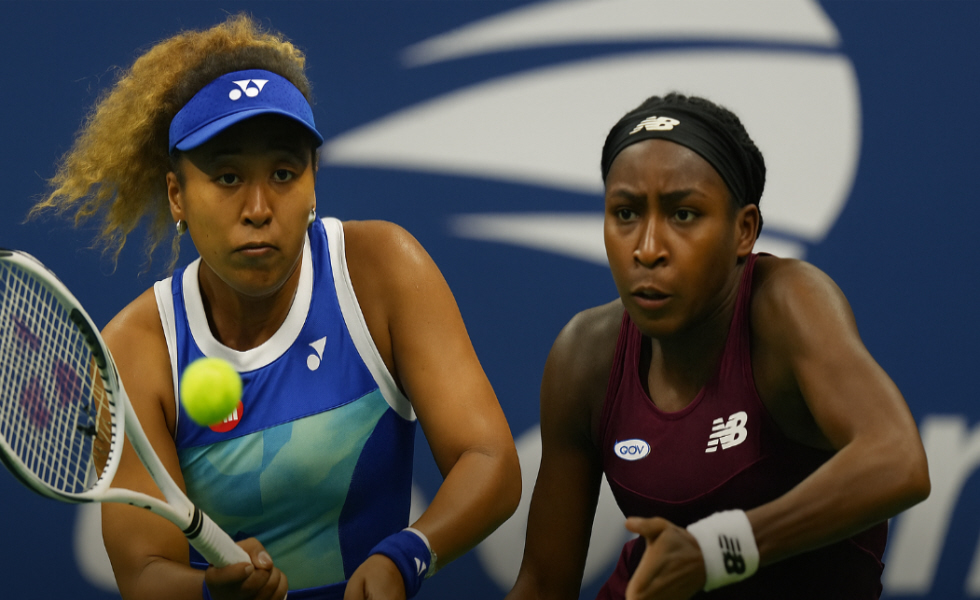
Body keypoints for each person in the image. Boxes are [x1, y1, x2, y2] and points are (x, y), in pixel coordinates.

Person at [33, 14, 521, 600]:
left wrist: (405, 556)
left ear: (313, 182)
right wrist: (213, 592)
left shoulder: (382, 271)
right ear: (177, 195)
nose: (259, 208)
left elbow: (488, 460)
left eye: (284, 173)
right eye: (228, 177)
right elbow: (144, 571)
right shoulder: (135, 352)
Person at [505, 93, 930, 600]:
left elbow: (897, 459)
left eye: (684, 214)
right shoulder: (585, 355)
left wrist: (716, 552)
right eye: (626, 213)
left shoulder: (787, 303)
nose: (647, 248)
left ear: (744, 230)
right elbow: (544, 584)